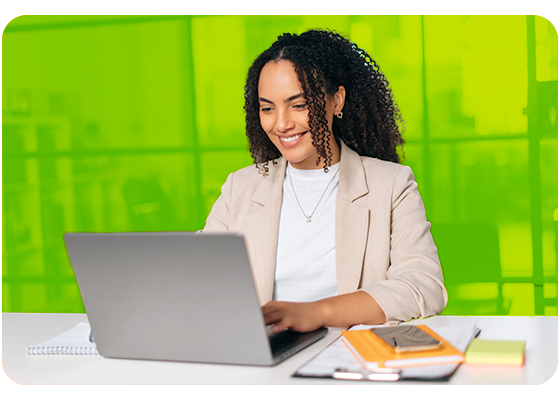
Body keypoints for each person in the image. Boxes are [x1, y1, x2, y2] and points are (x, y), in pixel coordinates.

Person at [202, 29, 447, 334]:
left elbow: (422, 286)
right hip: (267, 362)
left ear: (336, 101)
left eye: (299, 104)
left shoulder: (391, 185)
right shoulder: (240, 187)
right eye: (267, 108)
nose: (281, 123)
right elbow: (198, 277)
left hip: (352, 358)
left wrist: (316, 312)